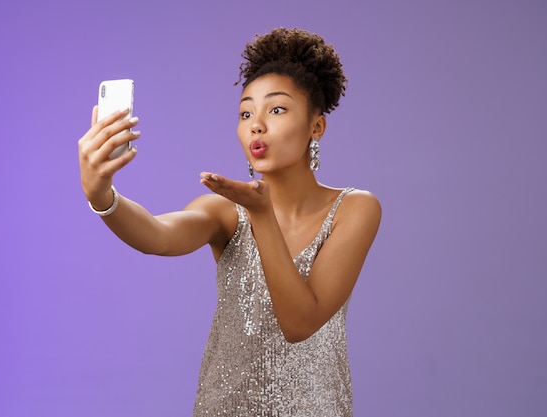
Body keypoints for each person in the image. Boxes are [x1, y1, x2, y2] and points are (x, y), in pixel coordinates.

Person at [78, 27, 381, 417]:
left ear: (316, 127)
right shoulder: (224, 212)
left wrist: (262, 213)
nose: (256, 124)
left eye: (276, 109)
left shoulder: (354, 208)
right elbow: (157, 235)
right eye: (245, 112)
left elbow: (300, 323)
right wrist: (101, 195)